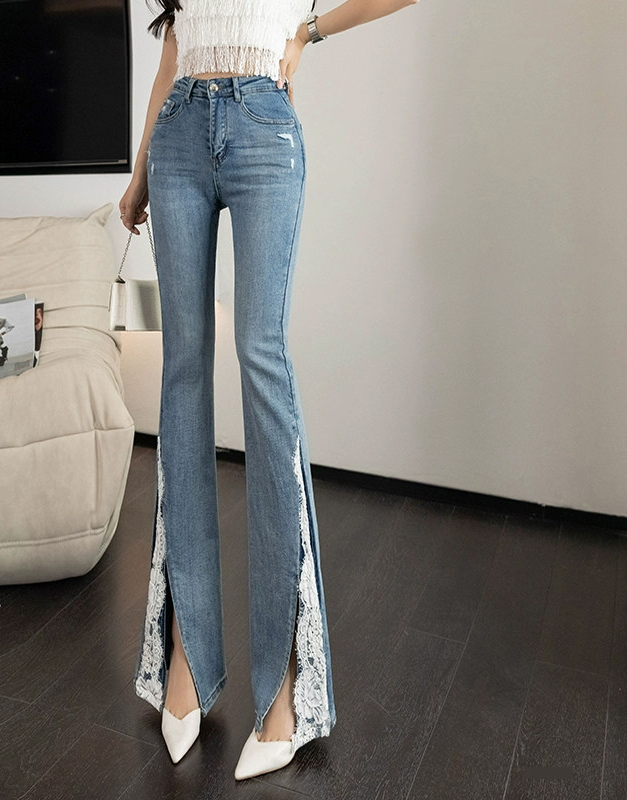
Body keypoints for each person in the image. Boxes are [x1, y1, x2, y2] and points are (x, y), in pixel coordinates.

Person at [119, 0, 419, 780]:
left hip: (262, 128)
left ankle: (283, 682)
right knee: (182, 371)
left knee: (262, 360)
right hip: (179, 130)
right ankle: (185, 656)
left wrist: (309, 31)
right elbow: (174, 47)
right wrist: (141, 169)